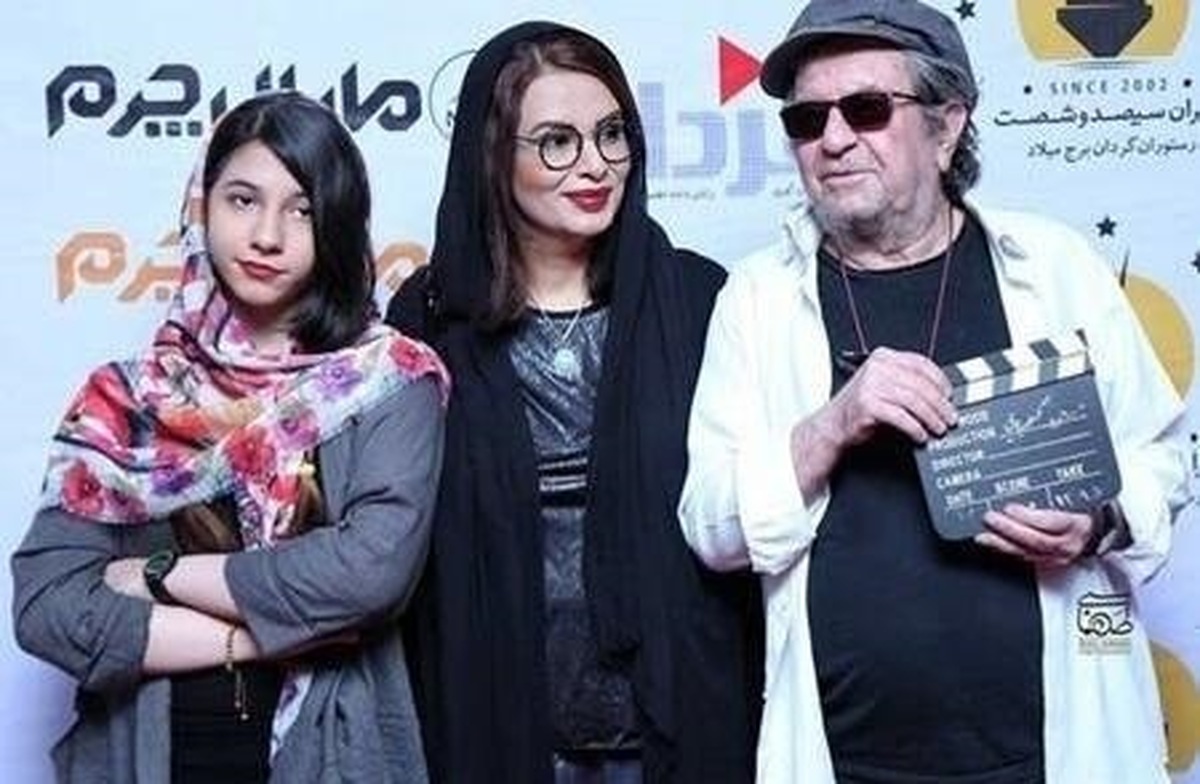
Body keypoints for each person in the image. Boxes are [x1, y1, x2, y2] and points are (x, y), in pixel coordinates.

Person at [677, 1, 1188, 782]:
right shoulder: (757, 298)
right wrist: (834, 424)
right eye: (807, 120)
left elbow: (1162, 462)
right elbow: (711, 529)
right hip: (847, 759)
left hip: (1054, 754)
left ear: (946, 127)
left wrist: (1097, 524)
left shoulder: (1054, 267)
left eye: (867, 108)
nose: (833, 139)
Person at [12, 91, 447, 783]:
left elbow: (369, 574)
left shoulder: (386, 381)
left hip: (333, 756)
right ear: (202, 206)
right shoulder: (125, 400)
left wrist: (155, 575)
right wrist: (256, 638)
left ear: (338, 227)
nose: (267, 235)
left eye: (303, 211)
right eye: (243, 200)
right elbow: (48, 606)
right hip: (151, 755)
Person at [385, 21, 761, 784]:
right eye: (556, 141)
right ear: (494, 155)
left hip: (681, 728)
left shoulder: (700, 300)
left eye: (612, 134)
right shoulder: (428, 319)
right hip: (500, 729)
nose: (595, 164)